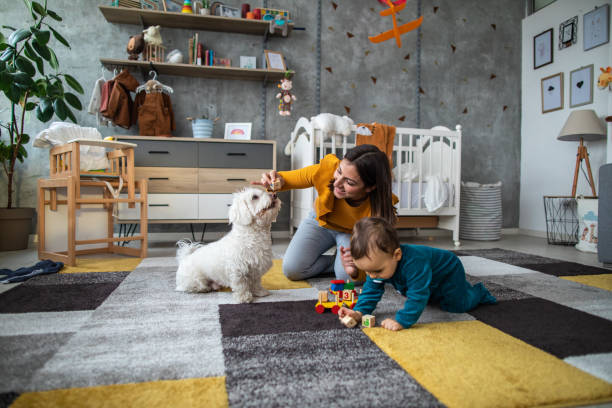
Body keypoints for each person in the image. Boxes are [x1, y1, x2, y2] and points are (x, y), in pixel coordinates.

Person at [252, 144, 396, 281]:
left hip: (354, 234)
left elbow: (381, 257)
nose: (337, 183)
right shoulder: (327, 169)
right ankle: (335, 262)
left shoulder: (379, 209)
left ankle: (340, 266)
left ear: (370, 187)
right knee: (292, 270)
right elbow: (289, 179)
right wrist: (275, 180)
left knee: (349, 277)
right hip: (320, 223)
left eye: (349, 182)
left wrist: (363, 263)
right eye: (339, 172)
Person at [338, 217, 497, 331]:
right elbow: (371, 291)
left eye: (377, 271)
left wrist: (402, 321)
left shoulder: (414, 263)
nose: (372, 276)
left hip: (448, 270)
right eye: (367, 271)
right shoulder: (378, 266)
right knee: (431, 297)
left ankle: (478, 292)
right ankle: (440, 291)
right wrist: (359, 312)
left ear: (397, 255)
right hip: (428, 275)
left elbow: (418, 294)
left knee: (456, 305)